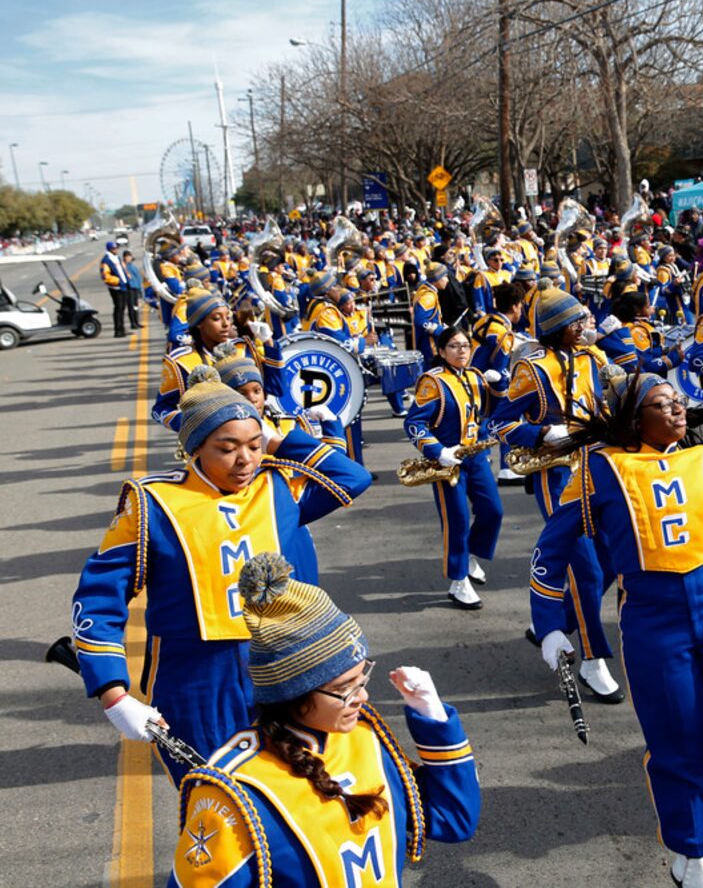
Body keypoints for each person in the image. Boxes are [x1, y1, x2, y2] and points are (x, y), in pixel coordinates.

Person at [528, 373, 703, 887]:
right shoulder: (599, 468)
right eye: (665, 405)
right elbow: (552, 548)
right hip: (653, 621)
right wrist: (549, 625)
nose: (680, 412)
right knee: (677, 741)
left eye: (681, 403)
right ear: (635, 419)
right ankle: (692, 854)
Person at [71, 369, 372, 783]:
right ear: (194, 449)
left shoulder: (281, 489)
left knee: (300, 793)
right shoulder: (153, 505)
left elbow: (352, 477)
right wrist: (113, 693)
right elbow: (98, 598)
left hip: (290, 669)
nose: (245, 459)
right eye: (227, 448)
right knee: (215, 802)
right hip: (196, 682)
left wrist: (279, 441)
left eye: (253, 445)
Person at [169, 554, 479, 886]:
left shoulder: (367, 739)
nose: (363, 697)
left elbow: (455, 820)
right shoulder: (234, 795)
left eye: (363, 679)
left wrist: (433, 719)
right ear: (293, 693)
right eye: (345, 688)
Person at [489, 289, 623, 702]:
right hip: (557, 475)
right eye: (576, 322)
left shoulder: (591, 358)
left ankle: (553, 622)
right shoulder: (533, 369)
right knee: (585, 569)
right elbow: (499, 424)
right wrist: (543, 432)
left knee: (613, 559)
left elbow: (620, 388)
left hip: (599, 466)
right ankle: (592, 659)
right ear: (557, 329)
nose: (584, 326)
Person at [405, 326, 503, 610]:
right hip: (449, 460)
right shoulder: (433, 382)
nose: (462, 351)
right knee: (457, 519)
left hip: (475, 455)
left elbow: (493, 411)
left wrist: (498, 386)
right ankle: (458, 580)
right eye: (454, 346)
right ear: (441, 351)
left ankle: (470, 553)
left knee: (493, 511)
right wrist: (438, 451)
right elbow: (413, 423)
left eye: (465, 346)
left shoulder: (475, 376)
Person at [151, 290, 249, 431]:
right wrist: (190, 423)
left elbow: (274, 389)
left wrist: (270, 345)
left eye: (228, 318)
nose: (226, 324)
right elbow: (160, 409)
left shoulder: (243, 350)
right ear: (199, 323)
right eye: (216, 319)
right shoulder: (182, 362)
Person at [100, 241, 134, 337]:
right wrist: (118, 281)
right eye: (114, 248)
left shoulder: (116, 258)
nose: (116, 250)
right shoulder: (106, 260)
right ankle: (118, 330)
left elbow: (122, 270)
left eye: (116, 248)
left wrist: (126, 278)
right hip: (115, 287)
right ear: (110, 249)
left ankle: (122, 328)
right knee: (118, 308)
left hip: (123, 286)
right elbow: (105, 276)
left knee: (122, 308)